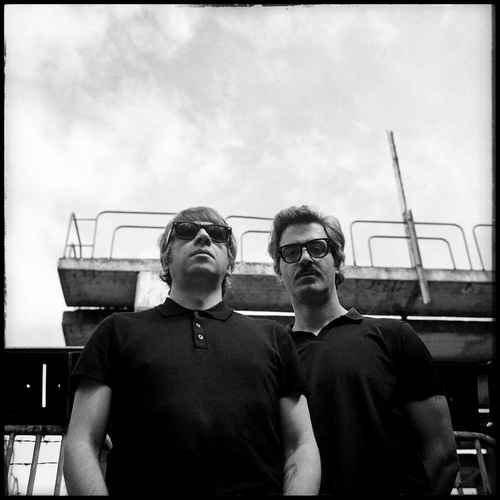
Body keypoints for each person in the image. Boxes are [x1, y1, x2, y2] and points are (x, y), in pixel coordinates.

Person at [63, 206, 320, 496]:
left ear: (230, 261)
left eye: (218, 234)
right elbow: (81, 442)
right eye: (186, 231)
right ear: (165, 257)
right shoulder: (115, 331)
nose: (203, 237)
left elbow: (300, 447)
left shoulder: (274, 337)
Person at [268, 204, 460, 495]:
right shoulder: (271, 356)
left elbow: (442, 456)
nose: (305, 258)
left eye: (317, 248)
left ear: (337, 262)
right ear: (279, 271)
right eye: (291, 252)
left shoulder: (394, 336)